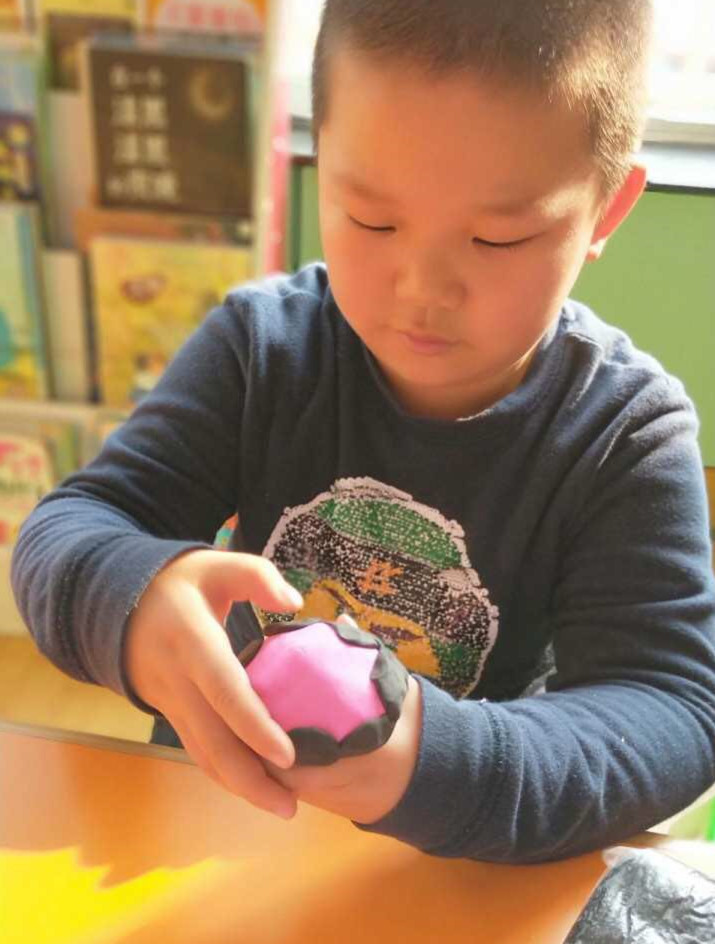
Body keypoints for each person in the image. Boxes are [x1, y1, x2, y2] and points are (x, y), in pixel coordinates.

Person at [12, 0, 715, 863]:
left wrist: (430, 757)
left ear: (606, 211)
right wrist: (133, 601)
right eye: (372, 220)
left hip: (449, 863)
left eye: (497, 238)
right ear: (322, 163)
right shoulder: (260, 349)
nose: (421, 288)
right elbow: (69, 528)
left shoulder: (624, 436)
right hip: (218, 830)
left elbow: (671, 711)